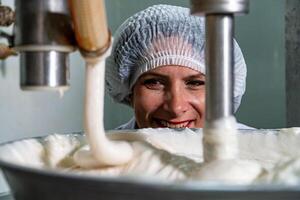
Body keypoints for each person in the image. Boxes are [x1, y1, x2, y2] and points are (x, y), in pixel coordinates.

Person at [105, 4, 251, 130]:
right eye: (154, 82)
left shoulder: (258, 152)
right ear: (130, 92)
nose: (176, 108)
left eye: (195, 83)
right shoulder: (95, 157)